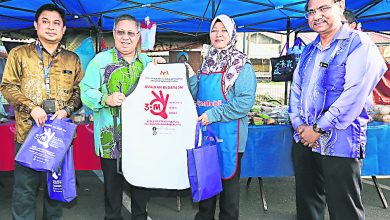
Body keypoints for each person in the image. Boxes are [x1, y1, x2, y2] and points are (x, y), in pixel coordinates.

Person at [289, 0, 387, 219]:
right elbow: (296, 89)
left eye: (324, 8)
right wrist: (299, 125)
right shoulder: (310, 49)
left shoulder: (359, 44)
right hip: (304, 140)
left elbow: (354, 94)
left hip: (340, 143)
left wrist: (318, 128)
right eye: (311, 11)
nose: (317, 16)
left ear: (340, 6)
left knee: (344, 210)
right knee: (307, 207)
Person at [0, 3, 84, 219]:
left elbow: (79, 92)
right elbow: (7, 87)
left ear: (64, 29)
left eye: (56, 23)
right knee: (24, 192)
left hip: (58, 137)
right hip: (28, 134)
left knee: (54, 193)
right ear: (36, 25)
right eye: (45, 22)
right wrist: (32, 107)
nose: (51, 27)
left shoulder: (72, 59)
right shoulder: (19, 54)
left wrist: (66, 110)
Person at [80, 14, 165, 220]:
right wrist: (105, 98)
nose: (125, 37)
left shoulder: (147, 63)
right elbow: (85, 90)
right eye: (121, 32)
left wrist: (164, 73)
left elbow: (160, 91)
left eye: (130, 33)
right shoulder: (100, 61)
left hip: (141, 139)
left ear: (138, 36)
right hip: (111, 139)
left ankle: (139, 217)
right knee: (112, 188)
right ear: (114, 34)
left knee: (141, 185)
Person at [186, 14, 257, 220]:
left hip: (230, 137)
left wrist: (214, 114)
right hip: (206, 135)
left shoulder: (241, 64)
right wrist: (191, 77)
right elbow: (198, 96)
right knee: (206, 189)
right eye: (214, 30)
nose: (218, 34)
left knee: (228, 194)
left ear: (232, 33)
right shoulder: (208, 62)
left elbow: (244, 102)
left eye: (223, 30)